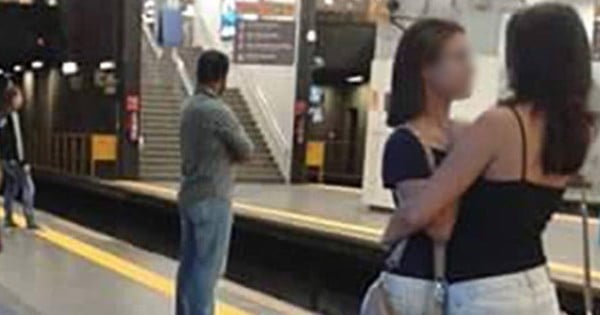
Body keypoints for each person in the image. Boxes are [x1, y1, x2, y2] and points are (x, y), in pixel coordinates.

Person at [383, 3, 595, 314]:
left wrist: (390, 234)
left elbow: (421, 213)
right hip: (537, 285)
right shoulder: (578, 129)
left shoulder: (500, 124)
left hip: (487, 291)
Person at [361, 19, 473, 314]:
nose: (470, 67)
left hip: (460, 282)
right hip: (416, 285)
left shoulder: (466, 135)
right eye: (459, 57)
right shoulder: (404, 143)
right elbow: (440, 226)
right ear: (426, 68)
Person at [176, 50, 254, 315]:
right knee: (206, 270)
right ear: (221, 78)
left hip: (189, 195)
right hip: (213, 198)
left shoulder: (188, 107)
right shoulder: (218, 111)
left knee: (189, 266)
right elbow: (246, 150)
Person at [0, 85, 38, 230]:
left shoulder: (2, 116)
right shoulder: (14, 116)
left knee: (10, 187)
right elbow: (18, 141)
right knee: (28, 186)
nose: (22, 99)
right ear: (14, 99)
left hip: (5, 159)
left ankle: (8, 217)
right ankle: (30, 219)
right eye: (20, 97)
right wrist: (24, 161)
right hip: (15, 160)